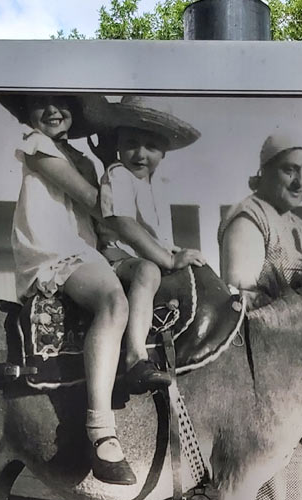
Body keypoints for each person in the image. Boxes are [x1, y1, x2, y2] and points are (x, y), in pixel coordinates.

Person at [0, 93, 137, 487]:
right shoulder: (37, 145)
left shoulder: (82, 160)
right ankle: (101, 429)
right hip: (54, 252)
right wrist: (114, 163)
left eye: (64, 103)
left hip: (85, 250)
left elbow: (105, 226)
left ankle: (138, 365)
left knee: (147, 281)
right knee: (113, 302)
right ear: (27, 112)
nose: (54, 110)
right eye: (42, 103)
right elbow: (96, 203)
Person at [218, 133, 302, 500]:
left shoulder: (297, 226)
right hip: (259, 365)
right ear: (265, 170)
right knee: (263, 487)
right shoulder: (250, 216)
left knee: (289, 492)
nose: (300, 182)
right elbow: (241, 294)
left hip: (290, 368)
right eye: (290, 170)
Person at [97, 96, 207, 384]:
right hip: (116, 257)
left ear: (165, 152)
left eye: (152, 146)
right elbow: (124, 223)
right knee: (148, 271)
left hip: (140, 256)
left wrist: (175, 252)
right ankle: (135, 356)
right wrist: (168, 258)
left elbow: (157, 234)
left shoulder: (154, 184)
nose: (140, 154)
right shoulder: (119, 175)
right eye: (131, 143)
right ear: (118, 143)